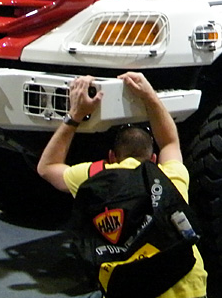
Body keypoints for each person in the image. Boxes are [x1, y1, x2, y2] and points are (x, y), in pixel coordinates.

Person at [37, 71, 207, 298]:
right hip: (188, 288)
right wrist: (149, 96)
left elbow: (47, 167)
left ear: (111, 157)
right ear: (153, 159)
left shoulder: (94, 177)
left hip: (127, 289)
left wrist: (75, 114)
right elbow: (169, 141)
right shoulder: (170, 177)